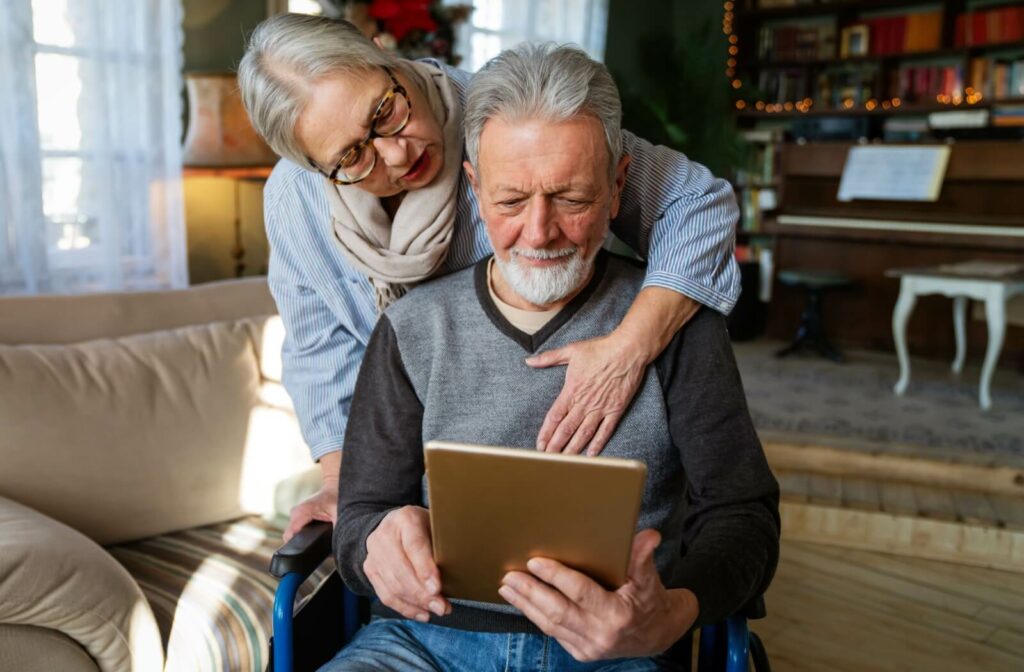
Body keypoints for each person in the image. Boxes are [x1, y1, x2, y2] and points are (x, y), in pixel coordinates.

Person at [328, 43, 780, 671]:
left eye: (571, 199)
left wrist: (671, 613)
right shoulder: (411, 327)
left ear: (619, 186)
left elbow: (743, 513)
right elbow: (357, 520)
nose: (539, 233)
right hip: (424, 642)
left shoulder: (682, 325)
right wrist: (374, 542)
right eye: (511, 201)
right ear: (476, 188)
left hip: (620, 648)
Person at [238, 14, 743, 541]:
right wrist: (348, 484)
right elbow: (320, 345)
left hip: (567, 435)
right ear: (311, 165)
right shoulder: (296, 201)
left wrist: (627, 349)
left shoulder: (509, 117)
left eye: (385, 112)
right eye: (351, 156)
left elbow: (697, 207)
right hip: (409, 463)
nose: (396, 152)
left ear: (381, 50)